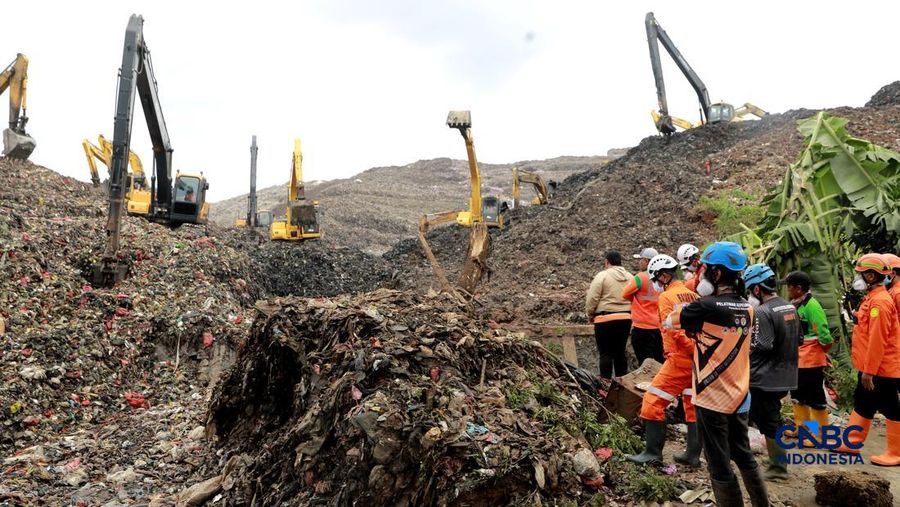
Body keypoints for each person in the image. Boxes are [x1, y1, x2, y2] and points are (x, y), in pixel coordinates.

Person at [667, 241, 769, 506]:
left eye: (706, 270)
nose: (701, 275)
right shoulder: (748, 308)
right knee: (743, 453)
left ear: (716, 273)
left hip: (712, 398)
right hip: (740, 396)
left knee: (718, 462)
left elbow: (672, 320)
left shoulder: (706, 307)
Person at [628, 254, 701, 467]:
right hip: (696, 361)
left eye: (656, 280)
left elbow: (675, 331)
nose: (655, 286)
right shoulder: (693, 296)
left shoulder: (667, 298)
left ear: (664, 276)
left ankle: (652, 453)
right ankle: (693, 455)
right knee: (691, 404)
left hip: (679, 358)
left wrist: (688, 351)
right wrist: (697, 352)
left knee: (652, 401)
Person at [832, 253, 900, 466]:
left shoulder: (880, 303)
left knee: (890, 406)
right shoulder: (873, 298)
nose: (857, 278)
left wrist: (869, 371)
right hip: (874, 365)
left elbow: (877, 341)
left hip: (882, 368)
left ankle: (896, 453)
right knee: (863, 401)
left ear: (871, 276)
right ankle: (852, 441)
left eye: (860, 274)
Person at [744, 264, 799, 481]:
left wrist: (746, 350)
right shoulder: (789, 307)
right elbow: (800, 339)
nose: (750, 295)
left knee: (768, 420)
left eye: (750, 290)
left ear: (757, 289)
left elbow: (763, 345)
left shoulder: (763, 311)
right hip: (786, 374)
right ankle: (776, 458)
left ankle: (779, 467)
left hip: (765, 377)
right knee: (770, 416)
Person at [780, 271, 832, 444]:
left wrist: (823, 351)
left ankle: (819, 435)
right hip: (798, 359)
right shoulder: (796, 305)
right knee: (798, 395)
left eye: (790, 287)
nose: (788, 290)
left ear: (798, 289)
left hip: (811, 360)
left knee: (815, 398)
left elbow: (824, 335)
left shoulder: (812, 306)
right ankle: (801, 429)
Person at [585, 251, 633, 379]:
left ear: (607, 262)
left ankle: (605, 384)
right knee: (620, 353)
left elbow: (592, 298)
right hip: (625, 319)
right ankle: (622, 384)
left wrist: (590, 313)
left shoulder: (602, 276)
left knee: (605, 353)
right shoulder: (630, 277)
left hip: (604, 319)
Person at [623, 247, 664, 365]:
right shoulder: (662, 277)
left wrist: (635, 301)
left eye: (641, 259)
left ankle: (647, 383)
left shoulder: (640, 277)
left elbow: (625, 293)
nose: (639, 262)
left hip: (641, 326)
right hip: (658, 326)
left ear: (646, 261)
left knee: (644, 362)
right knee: (659, 360)